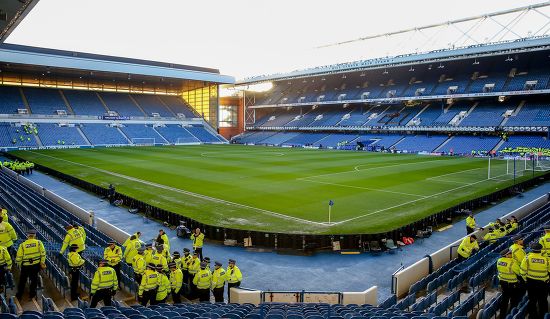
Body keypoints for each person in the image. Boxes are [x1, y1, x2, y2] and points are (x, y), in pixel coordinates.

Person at [520, 242, 550, 319]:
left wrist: (526, 280)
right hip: (543, 284)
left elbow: (522, 271)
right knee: (543, 301)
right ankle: (543, 316)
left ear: (532, 249)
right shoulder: (546, 259)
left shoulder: (527, 258)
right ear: (541, 250)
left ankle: (532, 316)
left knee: (532, 300)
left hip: (531, 283)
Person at [16, 229, 46, 300]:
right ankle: (32, 294)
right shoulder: (39, 243)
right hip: (35, 265)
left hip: (25, 266)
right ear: (34, 236)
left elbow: (19, 257)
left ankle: (19, 295)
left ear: (28, 236)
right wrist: (42, 262)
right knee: (34, 280)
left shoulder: (22, 245)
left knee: (22, 280)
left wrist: (20, 264)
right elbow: (43, 254)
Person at [497, 249, 519, 319]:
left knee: (504, 300)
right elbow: (519, 272)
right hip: (512, 283)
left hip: (502, 282)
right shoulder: (512, 262)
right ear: (506, 255)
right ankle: (510, 315)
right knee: (513, 300)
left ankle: (502, 316)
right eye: (510, 253)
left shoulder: (499, 261)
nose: (511, 254)